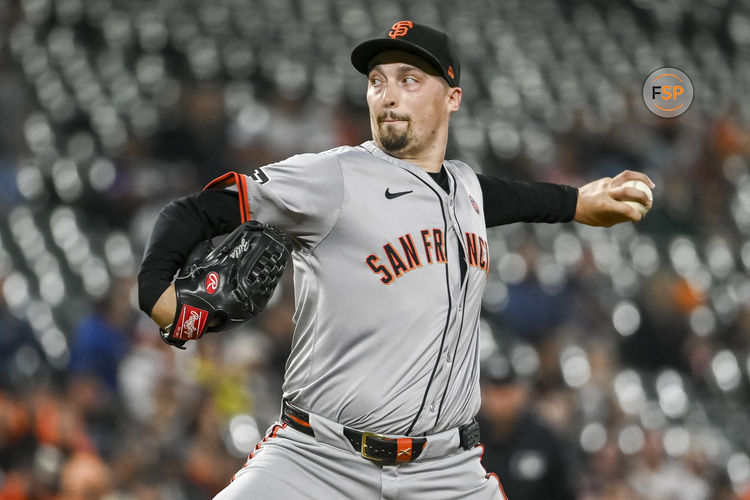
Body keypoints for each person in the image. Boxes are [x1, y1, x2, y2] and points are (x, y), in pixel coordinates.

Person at [138, 21, 653, 499]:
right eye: (378, 81)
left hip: (447, 471)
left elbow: (511, 198)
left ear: (452, 97)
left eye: (409, 79)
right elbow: (194, 211)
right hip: (318, 460)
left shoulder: (468, 190)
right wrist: (158, 295)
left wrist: (577, 203)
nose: (387, 95)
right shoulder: (334, 177)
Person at [478, 354, 576, 500]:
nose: (501, 401)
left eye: (507, 392)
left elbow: (564, 492)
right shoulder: (469, 441)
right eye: (495, 392)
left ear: (520, 393)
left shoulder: (543, 440)